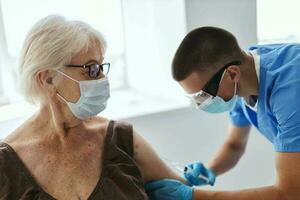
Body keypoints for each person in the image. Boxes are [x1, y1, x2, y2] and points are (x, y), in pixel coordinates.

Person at [0, 15, 189, 200]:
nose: (102, 79)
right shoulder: (5, 165)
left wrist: (188, 186)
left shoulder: (119, 138)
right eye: (91, 69)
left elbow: (183, 190)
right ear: (48, 79)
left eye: (100, 67)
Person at [145, 26, 300, 199]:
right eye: (194, 99)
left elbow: (290, 193)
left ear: (232, 74)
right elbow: (235, 145)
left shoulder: (291, 91)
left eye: (202, 95)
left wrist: (193, 196)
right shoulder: (245, 78)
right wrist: (209, 170)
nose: (200, 105)